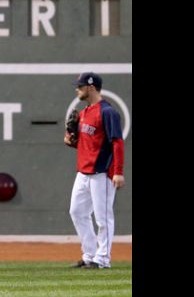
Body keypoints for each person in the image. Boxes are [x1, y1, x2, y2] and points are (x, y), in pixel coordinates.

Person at [64, 72, 125, 269]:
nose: (77, 89)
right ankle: (89, 254)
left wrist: (118, 171)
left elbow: (117, 142)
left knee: (103, 217)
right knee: (77, 212)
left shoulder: (107, 112)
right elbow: (86, 144)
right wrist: (71, 141)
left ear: (91, 87)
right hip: (83, 172)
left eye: (80, 86)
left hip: (102, 173)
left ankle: (102, 259)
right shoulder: (84, 113)